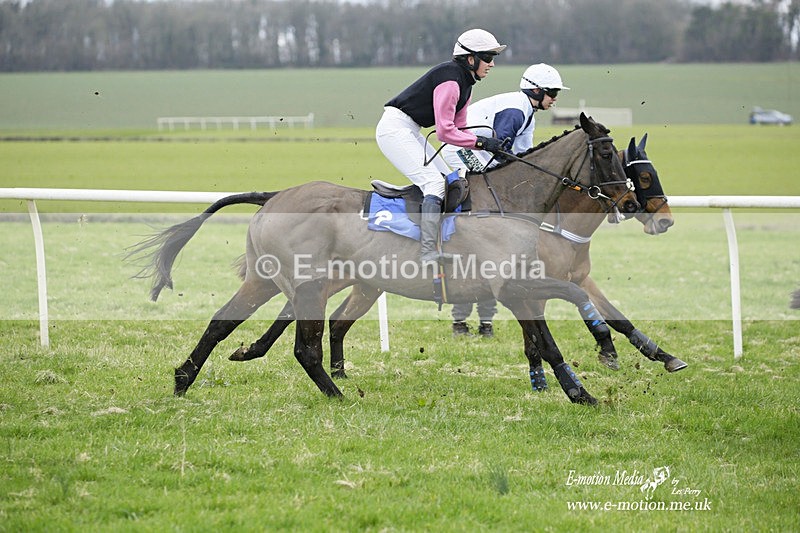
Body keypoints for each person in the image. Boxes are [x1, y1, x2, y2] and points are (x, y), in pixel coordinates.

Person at [441, 63, 570, 337]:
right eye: (553, 92)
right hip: (457, 147)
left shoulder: (528, 113)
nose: (555, 98)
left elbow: (522, 160)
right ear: (536, 90)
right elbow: (503, 152)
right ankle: (451, 230)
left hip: (473, 145)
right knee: (488, 183)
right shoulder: (517, 108)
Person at [375, 28, 507, 265]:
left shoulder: (466, 85)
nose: (492, 64)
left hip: (410, 130)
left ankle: (444, 240)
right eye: (488, 57)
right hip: (394, 129)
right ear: (471, 58)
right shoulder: (450, 78)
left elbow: (461, 131)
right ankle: (426, 252)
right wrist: (481, 141)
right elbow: (445, 133)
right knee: (434, 183)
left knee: (451, 181)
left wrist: (489, 148)